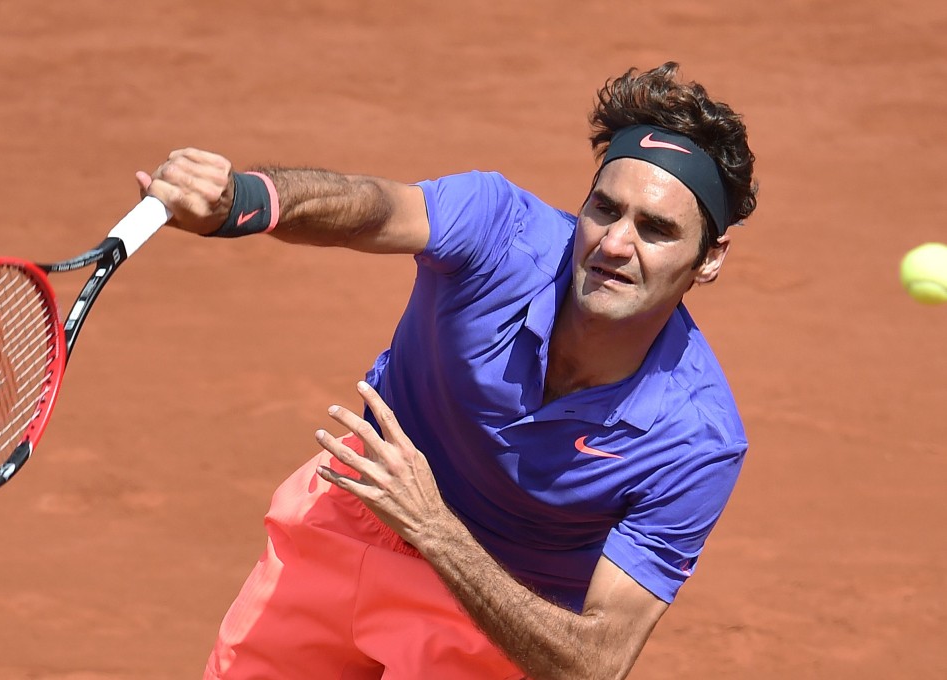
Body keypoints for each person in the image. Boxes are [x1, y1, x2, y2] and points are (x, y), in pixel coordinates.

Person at [139, 61, 758, 680]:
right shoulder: (498, 229)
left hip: (492, 613)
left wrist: (435, 529)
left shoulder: (696, 441)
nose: (615, 244)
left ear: (710, 258)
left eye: (655, 229)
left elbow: (595, 665)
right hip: (346, 523)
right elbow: (374, 209)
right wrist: (243, 202)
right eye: (605, 209)